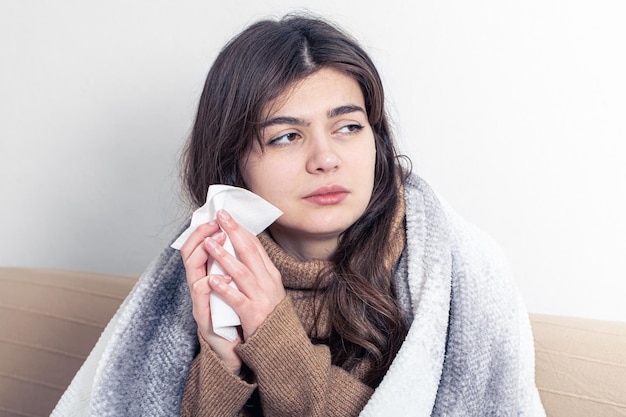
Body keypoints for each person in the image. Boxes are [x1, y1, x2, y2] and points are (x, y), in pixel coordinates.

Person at [51, 14, 545, 417]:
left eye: (348, 127)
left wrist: (274, 338)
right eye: (287, 136)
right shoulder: (210, 265)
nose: (325, 158)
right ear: (233, 164)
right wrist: (221, 361)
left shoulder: (458, 271)